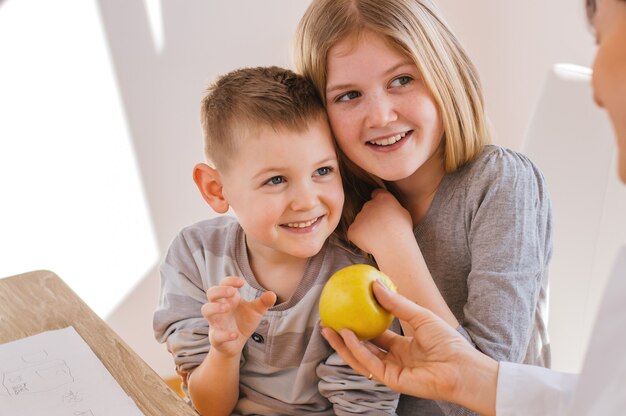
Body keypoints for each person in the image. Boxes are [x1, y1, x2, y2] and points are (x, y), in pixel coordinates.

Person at [319, 0, 626, 414]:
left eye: (402, 80)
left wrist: (395, 248)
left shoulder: (499, 183)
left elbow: (482, 398)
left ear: (446, 76)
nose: (380, 115)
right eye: (349, 95)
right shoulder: (333, 203)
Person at [153, 66, 400, 415]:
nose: (307, 201)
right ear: (216, 189)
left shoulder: (360, 278)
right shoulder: (195, 255)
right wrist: (225, 351)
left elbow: (364, 408)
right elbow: (209, 408)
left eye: (323, 171)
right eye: (276, 180)